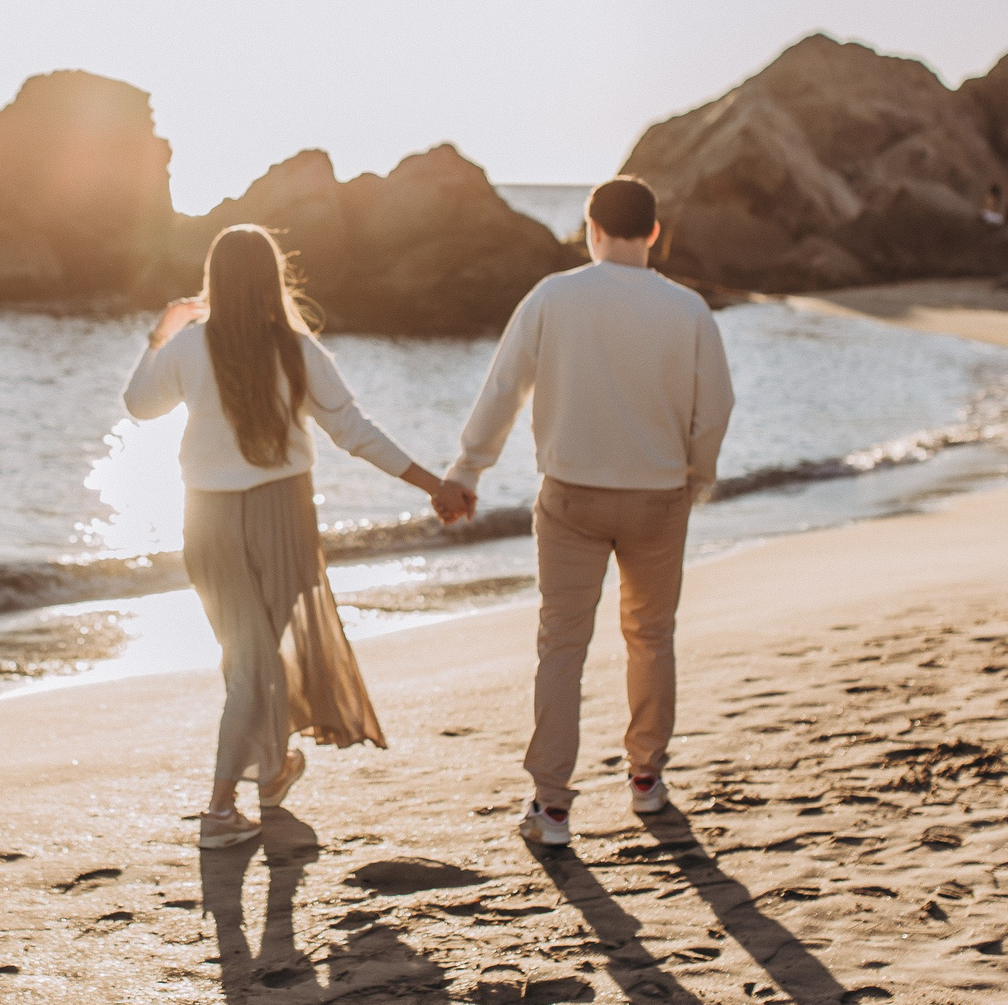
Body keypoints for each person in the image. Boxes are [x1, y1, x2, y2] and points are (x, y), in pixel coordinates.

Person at [126, 224, 467, 850]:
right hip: (281, 513)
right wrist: (431, 485)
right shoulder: (300, 350)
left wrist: (159, 333)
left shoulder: (188, 346)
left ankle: (270, 775)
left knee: (247, 659)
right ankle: (222, 807)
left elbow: (138, 405)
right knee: (255, 660)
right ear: (272, 279)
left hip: (206, 516)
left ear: (214, 280)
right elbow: (355, 431)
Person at [442, 177, 733, 846]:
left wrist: (467, 467)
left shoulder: (553, 296)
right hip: (659, 496)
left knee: (562, 646)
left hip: (571, 495)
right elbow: (714, 406)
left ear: (590, 228)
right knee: (651, 636)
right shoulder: (688, 309)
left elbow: (504, 388)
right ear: (654, 232)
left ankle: (551, 808)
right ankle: (646, 779)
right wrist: (697, 473)